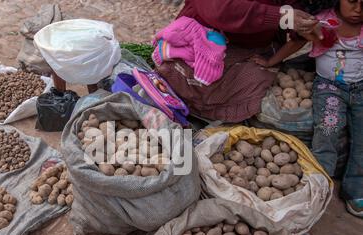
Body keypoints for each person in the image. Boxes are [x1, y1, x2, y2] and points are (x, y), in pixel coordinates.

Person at [253, 0, 363, 217]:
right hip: (329, 88)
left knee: (361, 140)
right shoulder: (323, 22)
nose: (358, 9)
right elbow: (294, 43)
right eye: (351, 1)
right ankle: (319, 186)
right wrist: (270, 62)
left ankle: (356, 189)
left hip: (360, 89)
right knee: (327, 135)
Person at [155, 0, 323, 123]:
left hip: (250, 48)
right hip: (203, 38)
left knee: (255, 80)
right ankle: (188, 109)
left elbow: (292, 10)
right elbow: (219, 11)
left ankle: (218, 116)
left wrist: (302, 26)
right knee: (177, 75)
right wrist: (282, 16)